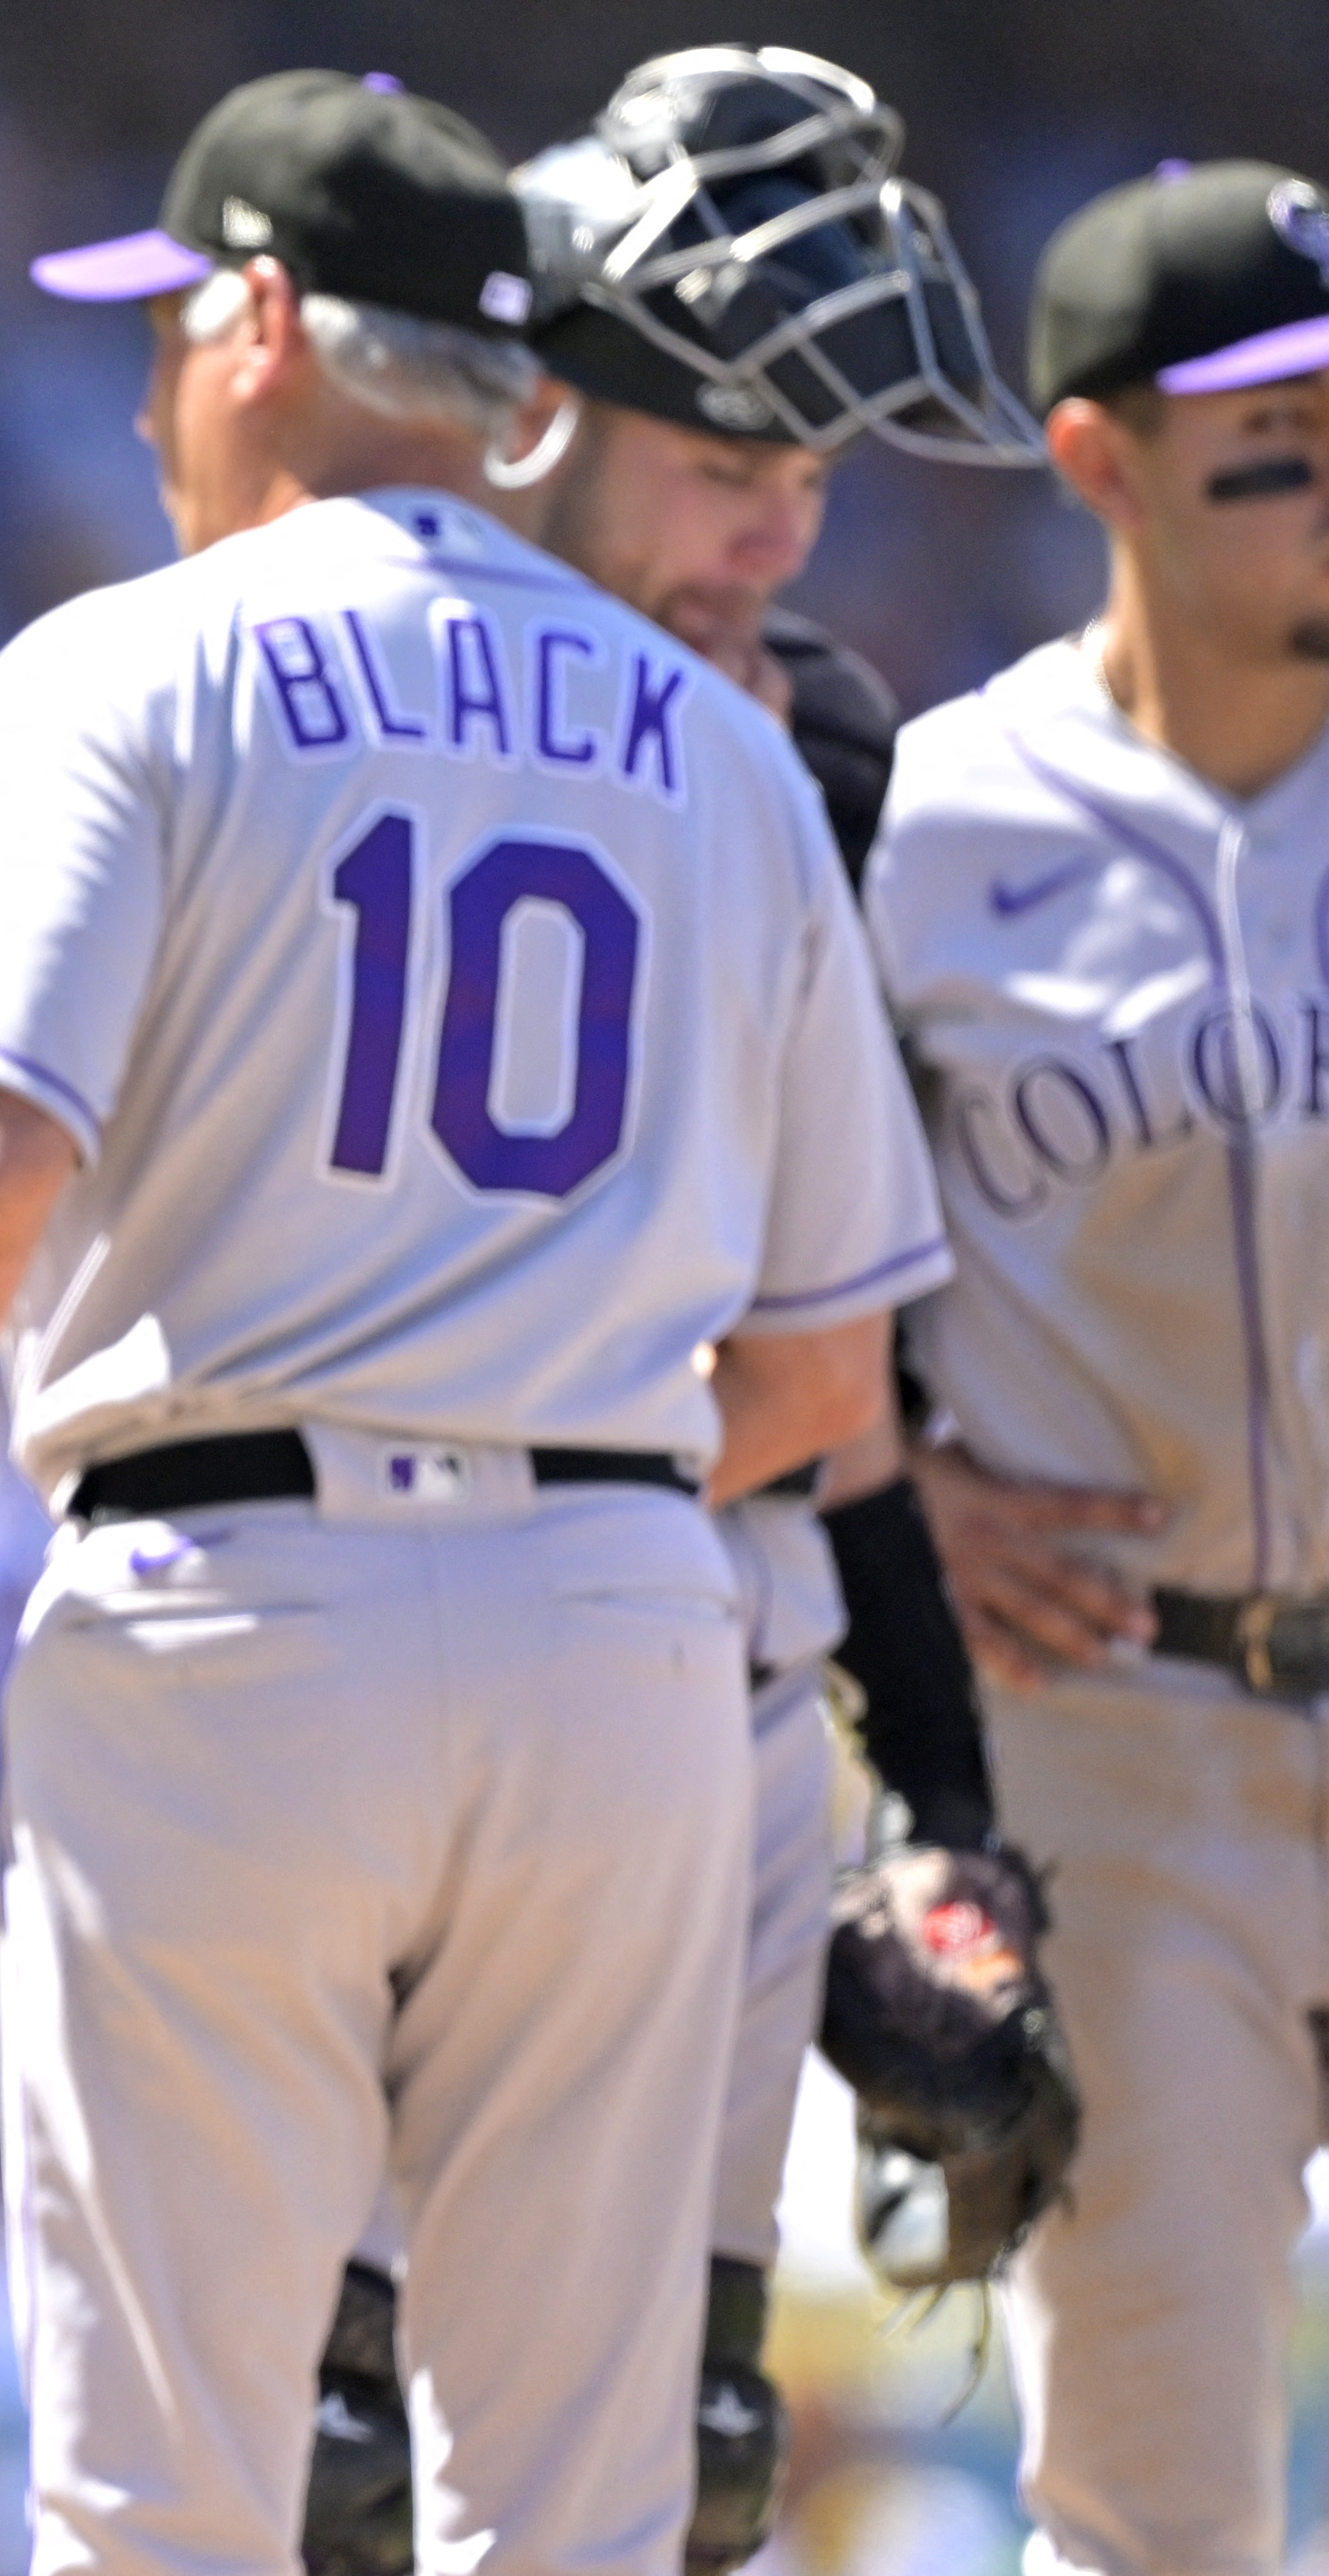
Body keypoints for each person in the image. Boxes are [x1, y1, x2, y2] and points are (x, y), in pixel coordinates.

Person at [0, 70, 947, 2575]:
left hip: (225, 1617)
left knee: (179, 2488)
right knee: (575, 2500)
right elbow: (826, 1376)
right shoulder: (717, 744)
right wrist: (538, 1468)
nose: (144, 388)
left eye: (172, 324)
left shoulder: (129, 670)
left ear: (270, 320)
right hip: (625, 1632)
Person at [298, 50, 1047, 2576]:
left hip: (703, 1647)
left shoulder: (821, 741)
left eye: (814, 467)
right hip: (355, 1637)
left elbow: (864, 1363)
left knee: (690, 2469)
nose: (776, 521)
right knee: (326, 2458)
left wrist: (947, 1809)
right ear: (535, 414)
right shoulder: (321, 694)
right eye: (729, 449)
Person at [869, 154, 1329, 2576]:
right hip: (1129, 1747)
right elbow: (761, 1271)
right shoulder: (927, 827)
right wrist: (896, 1483)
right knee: (1156, 2513)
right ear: (1098, 458)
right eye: (1284, 423)